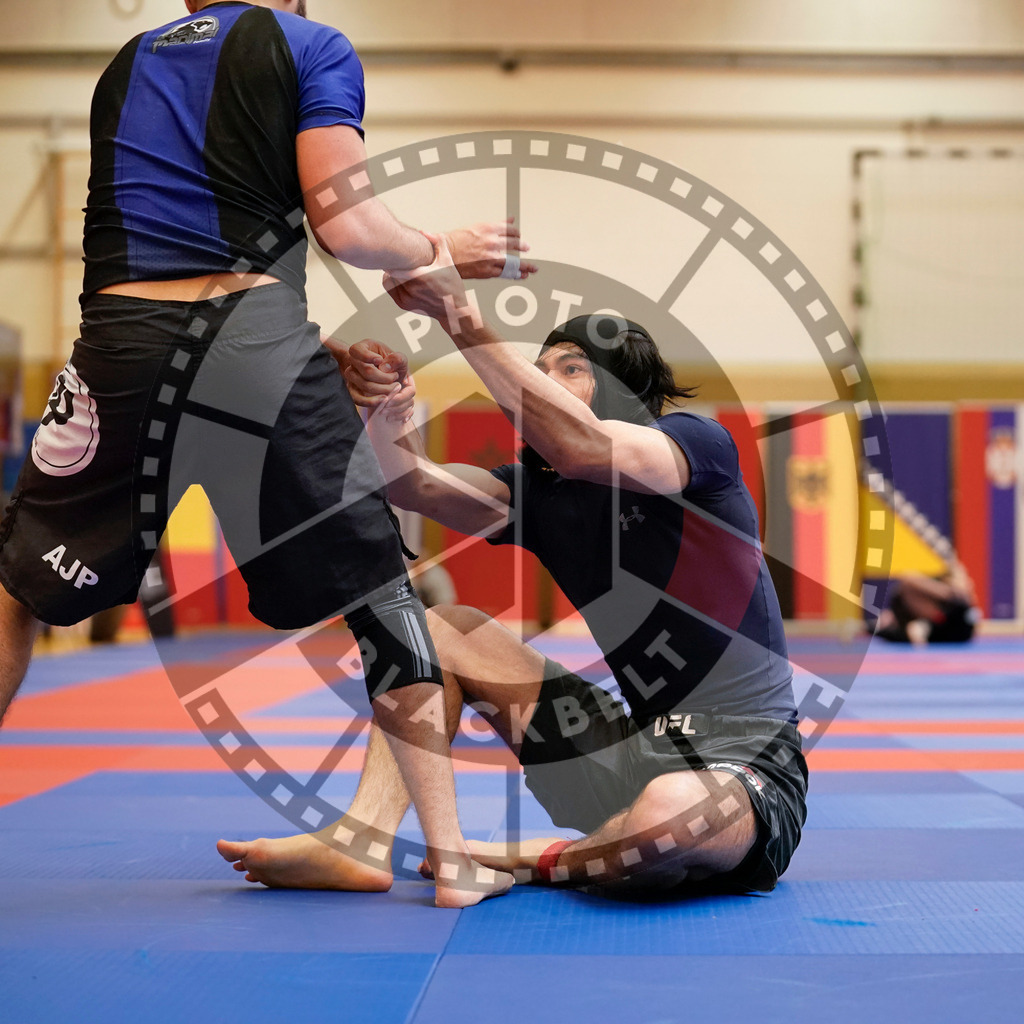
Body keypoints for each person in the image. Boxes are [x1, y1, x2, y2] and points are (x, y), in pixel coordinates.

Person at [0, 0, 538, 907]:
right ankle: (450, 859)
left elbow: (170, 271)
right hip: (256, 347)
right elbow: (348, 224)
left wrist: (314, 349)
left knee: (17, 587)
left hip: (120, 346)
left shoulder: (127, 64)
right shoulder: (310, 44)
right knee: (382, 594)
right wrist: (442, 250)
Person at [216, 239, 807, 895]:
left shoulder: (698, 449)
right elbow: (414, 486)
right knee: (440, 629)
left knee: (671, 817)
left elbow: (581, 445)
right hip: (627, 751)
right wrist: (387, 415)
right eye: (541, 366)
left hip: (743, 760)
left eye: (571, 368)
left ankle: (531, 857)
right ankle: (362, 839)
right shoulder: (539, 492)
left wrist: (458, 314)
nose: (547, 379)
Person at [874, 563, 980, 645]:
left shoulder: (960, 604)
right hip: (935, 627)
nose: (969, 582)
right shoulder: (949, 597)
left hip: (949, 627)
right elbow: (908, 577)